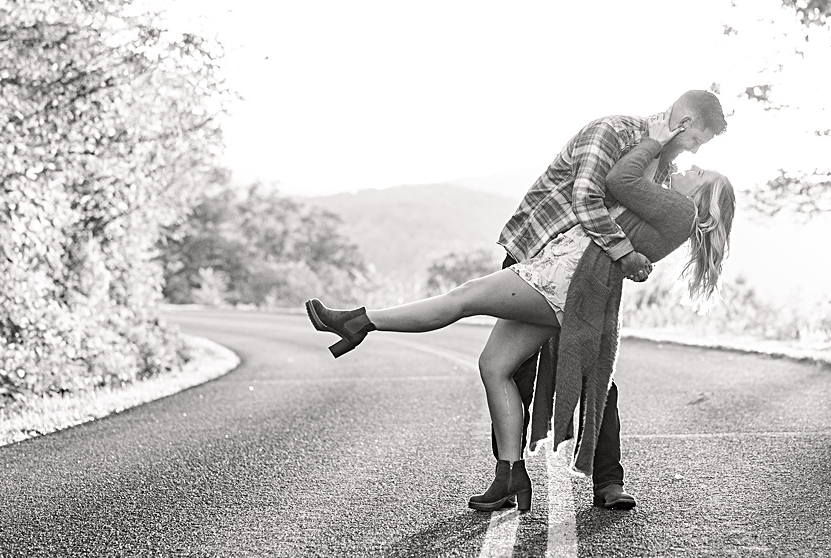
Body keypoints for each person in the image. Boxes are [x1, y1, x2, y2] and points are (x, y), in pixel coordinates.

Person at [304, 113, 735, 514]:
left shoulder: (680, 208)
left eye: (697, 173)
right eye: (695, 153)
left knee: (465, 298)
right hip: (561, 272)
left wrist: (656, 143)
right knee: (494, 366)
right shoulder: (664, 191)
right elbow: (621, 188)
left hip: (566, 280)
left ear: (702, 198)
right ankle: (510, 474)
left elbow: (619, 181)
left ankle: (361, 321)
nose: (689, 166)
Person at [496, 89, 728, 511]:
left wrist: (638, 258)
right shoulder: (614, 131)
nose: (694, 151)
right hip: (536, 256)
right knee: (515, 369)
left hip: (587, 274)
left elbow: (640, 224)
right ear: (684, 123)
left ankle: (608, 481)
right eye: (697, 140)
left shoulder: (662, 170)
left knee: (596, 370)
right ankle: (510, 476)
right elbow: (589, 200)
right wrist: (626, 252)